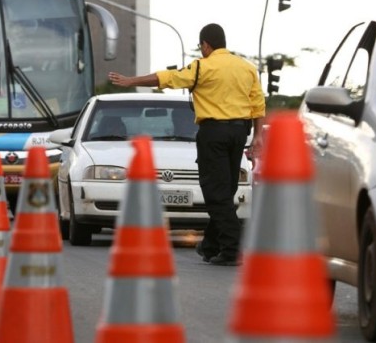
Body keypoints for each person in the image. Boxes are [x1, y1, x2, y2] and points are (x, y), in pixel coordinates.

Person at [109, 23, 266, 266]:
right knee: (225, 191)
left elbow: (168, 78)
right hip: (239, 133)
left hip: (213, 133)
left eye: (201, 46)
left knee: (216, 193)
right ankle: (211, 246)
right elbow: (258, 103)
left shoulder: (202, 66)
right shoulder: (247, 68)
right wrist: (257, 136)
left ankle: (233, 248)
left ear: (205, 45)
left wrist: (132, 81)